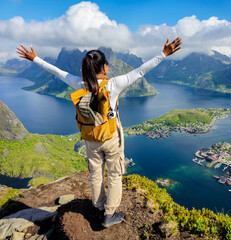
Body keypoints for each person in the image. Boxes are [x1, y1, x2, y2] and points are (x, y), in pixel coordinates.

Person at [16, 37, 182, 228]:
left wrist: (35, 59)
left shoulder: (79, 84)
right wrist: (164, 54)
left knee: (95, 173)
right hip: (111, 137)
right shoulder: (114, 85)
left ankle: (98, 205)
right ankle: (109, 214)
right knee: (114, 174)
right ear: (104, 67)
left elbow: (57, 72)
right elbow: (141, 71)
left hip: (90, 138)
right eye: (106, 64)